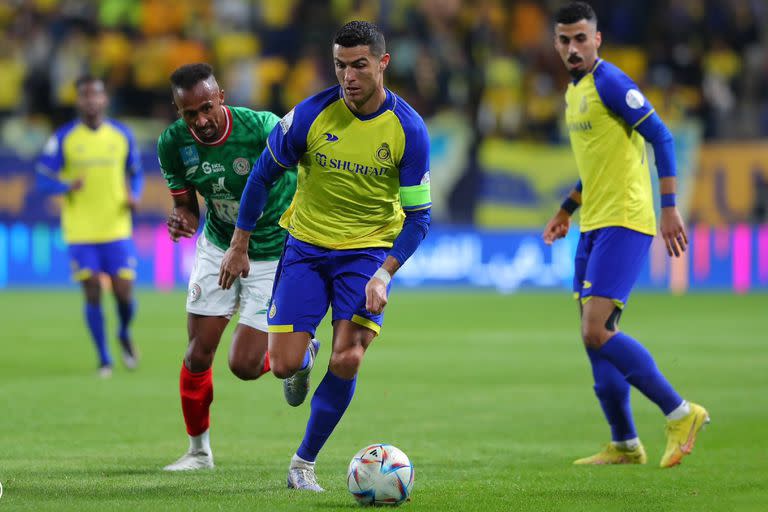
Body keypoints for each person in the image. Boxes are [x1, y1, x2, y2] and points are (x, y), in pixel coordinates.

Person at [219, 21, 432, 491]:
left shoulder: (408, 131)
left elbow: (418, 218)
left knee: (350, 357)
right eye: (340, 65)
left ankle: (303, 464)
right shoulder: (311, 115)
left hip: (366, 253)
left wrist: (385, 273)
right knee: (284, 365)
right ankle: (304, 355)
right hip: (307, 248)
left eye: (359, 65)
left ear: (383, 63)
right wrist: (240, 243)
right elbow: (261, 176)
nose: (349, 76)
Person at [543, 2, 709, 468]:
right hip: (595, 221)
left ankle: (681, 412)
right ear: (555, 43)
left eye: (581, 38)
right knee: (591, 335)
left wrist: (670, 208)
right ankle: (624, 442)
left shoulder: (611, 82)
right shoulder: (574, 93)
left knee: (598, 329)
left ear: (597, 40)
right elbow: (595, 167)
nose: (572, 48)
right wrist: (565, 210)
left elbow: (663, 137)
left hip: (625, 220)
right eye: (564, 40)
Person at [157, 63, 316, 471]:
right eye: (189, 113)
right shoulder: (173, 144)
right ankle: (198, 453)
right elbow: (186, 206)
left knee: (244, 366)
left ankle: (300, 356)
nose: (202, 120)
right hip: (217, 246)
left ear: (221, 97)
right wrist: (182, 219)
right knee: (197, 354)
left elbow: (309, 164)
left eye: (207, 107)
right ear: (179, 112)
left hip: (272, 249)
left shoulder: (262, 128)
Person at [36, 75, 143, 378]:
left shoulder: (121, 135)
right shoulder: (64, 137)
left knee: (124, 293)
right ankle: (104, 358)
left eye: (96, 95)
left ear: (104, 99)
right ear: (78, 101)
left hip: (116, 227)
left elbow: (135, 173)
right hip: (81, 230)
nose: (91, 101)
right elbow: (43, 179)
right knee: (92, 291)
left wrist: (133, 196)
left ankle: (123, 332)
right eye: (84, 96)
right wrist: (67, 185)